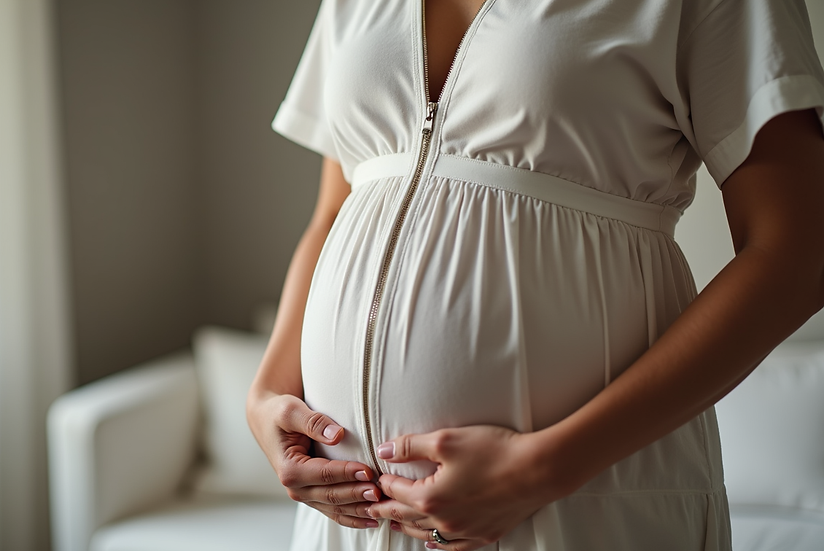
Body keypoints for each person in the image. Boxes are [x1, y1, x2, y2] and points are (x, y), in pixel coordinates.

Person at [247, 0, 824, 549]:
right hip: (349, 523)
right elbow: (340, 205)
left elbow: (801, 251)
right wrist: (266, 393)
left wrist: (545, 469)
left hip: (582, 498)